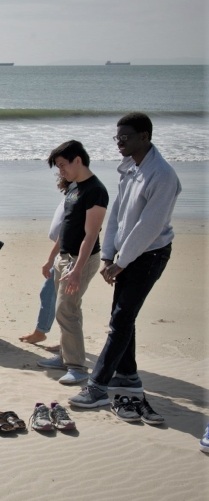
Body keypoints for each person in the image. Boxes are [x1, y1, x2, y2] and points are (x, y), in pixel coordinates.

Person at [69, 113, 181, 410]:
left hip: (150, 254)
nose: (119, 142)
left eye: (125, 137)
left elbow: (150, 225)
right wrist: (108, 254)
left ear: (144, 136)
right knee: (122, 316)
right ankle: (128, 375)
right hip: (126, 255)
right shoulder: (130, 168)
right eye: (117, 138)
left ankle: (97, 388)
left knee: (120, 320)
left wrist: (122, 261)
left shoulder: (163, 175)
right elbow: (117, 212)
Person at [36, 141, 107, 385]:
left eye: (63, 165)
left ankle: (77, 367)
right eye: (58, 167)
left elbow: (91, 234)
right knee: (66, 309)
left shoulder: (95, 190)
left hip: (81, 260)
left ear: (78, 159)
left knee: (67, 310)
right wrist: (50, 258)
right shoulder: (74, 189)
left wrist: (77, 271)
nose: (61, 171)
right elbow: (65, 229)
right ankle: (66, 356)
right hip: (64, 257)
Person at [19, 175, 71, 348]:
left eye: (63, 167)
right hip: (64, 253)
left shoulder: (80, 194)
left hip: (70, 254)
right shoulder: (72, 193)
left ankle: (58, 339)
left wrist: (50, 259)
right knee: (51, 294)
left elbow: (66, 231)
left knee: (63, 299)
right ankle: (42, 332)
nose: (60, 173)